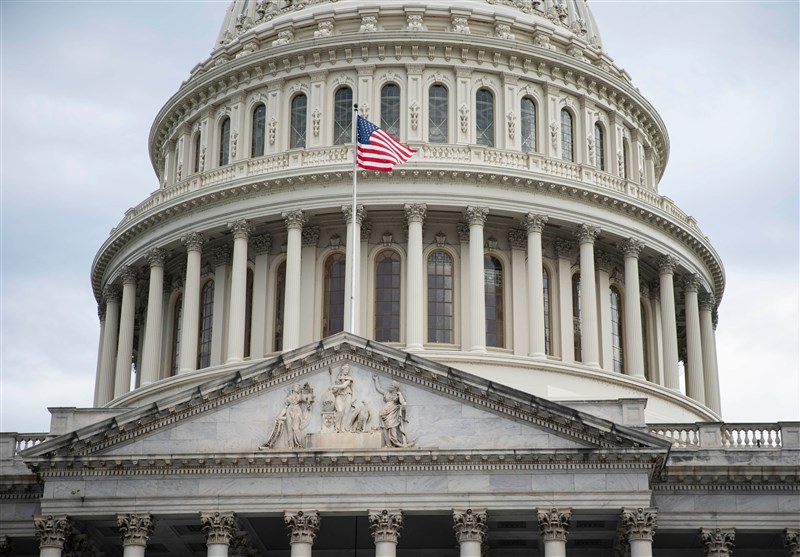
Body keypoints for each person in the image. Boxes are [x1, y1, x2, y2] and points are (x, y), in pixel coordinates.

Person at [372, 375, 413, 447]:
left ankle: (397, 443)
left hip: (392, 413)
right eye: (391, 385)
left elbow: (402, 403)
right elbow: (378, 388)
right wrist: (376, 380)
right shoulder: (387, 393)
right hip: (383, 413)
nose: (390, 386)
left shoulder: (397, 394)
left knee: (392, 428)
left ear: (395, 387)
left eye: (392, 385)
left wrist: (400, 395)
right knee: (384, 428)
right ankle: (388, 444)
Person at [329, 364, 354, 432]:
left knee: (346, 412)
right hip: (339, 395)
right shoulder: (338, 378)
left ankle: (342, 428)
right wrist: (332, 389)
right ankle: (337, 427)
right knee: (340, 410)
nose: (347, 371)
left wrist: (334, 386)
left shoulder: (349, 378)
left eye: (348, 370)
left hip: (347, 395)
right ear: (342, 369)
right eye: (346, 369)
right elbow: (336, 390)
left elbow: (343, 386)